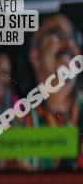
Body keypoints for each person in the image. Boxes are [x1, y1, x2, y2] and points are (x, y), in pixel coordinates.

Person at [23, 13, 83, 170]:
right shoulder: (18, 125)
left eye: (74, 37)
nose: (70, 43)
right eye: (57, 35)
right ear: (36, 57)